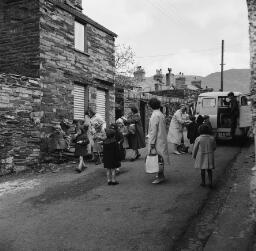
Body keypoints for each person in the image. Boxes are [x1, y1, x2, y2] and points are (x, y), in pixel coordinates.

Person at [147, 98, 169, 184]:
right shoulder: (160, 114)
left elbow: (153, 131)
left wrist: (152, 144)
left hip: (157, 141)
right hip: (161, 139)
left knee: (157, 159)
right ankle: (161, 175)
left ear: (151, 106)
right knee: (160, 158)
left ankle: (160, 177)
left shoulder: (154, 115)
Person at [192, 124, 216, 188]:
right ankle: (210, 182)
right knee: (209, 170)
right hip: (210, 156)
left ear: (200, 130)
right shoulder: (212, 138)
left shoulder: (198, 138)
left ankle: (203, 182)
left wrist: (194, 155)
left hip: (201, 156)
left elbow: (195, 148)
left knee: (202, 169)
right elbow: (214, 147)